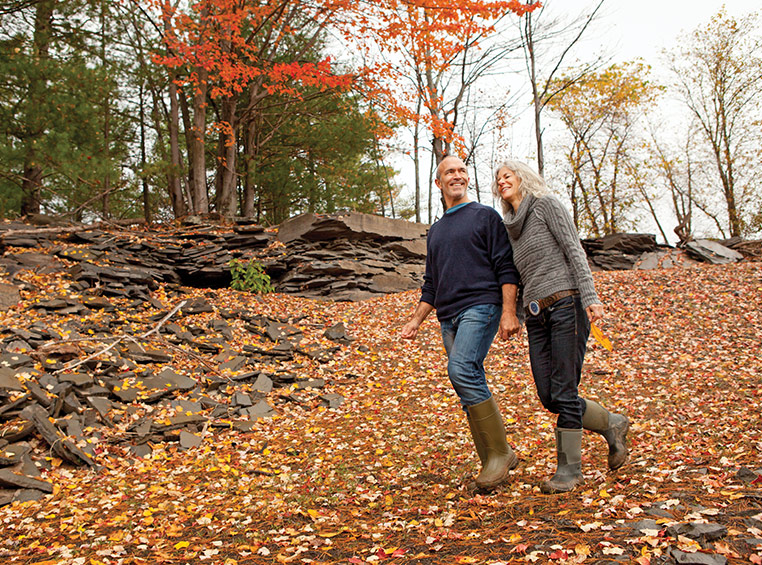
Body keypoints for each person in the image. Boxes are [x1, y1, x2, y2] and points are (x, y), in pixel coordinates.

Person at [492, 160, 629, 494]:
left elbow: (573, 249)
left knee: (564, 391)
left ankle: (569, 470)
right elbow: (519, 276)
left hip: (567, 303)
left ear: (523, 177)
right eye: (497, 179)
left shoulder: (546, 205)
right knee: (549, 395)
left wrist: (590, 296)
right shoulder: (510, 226)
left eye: (507, 176)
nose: (501, 182)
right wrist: (514, 315)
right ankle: (612, 423)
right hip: (537, 315)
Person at [401, 155, 522, 490]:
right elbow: (432, 283)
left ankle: (499, 454)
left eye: (461, 171)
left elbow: (505, 267)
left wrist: (509, 312)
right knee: (466, 381)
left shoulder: (485, 216)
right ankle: (494, 459)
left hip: (481, 306)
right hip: (448, 316)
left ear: (467, 179)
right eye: (449, 172)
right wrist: (416, 320)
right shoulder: (437, 231)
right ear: (438, 184)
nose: (457, 175)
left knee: (461, 369)